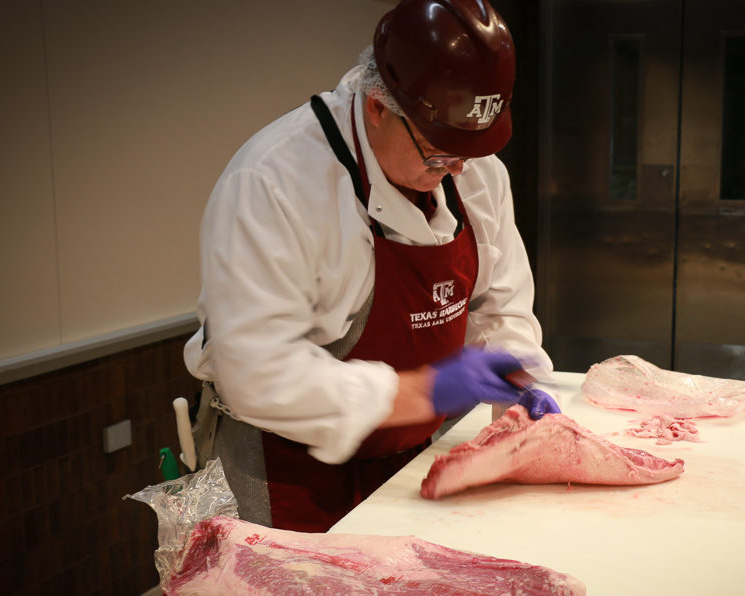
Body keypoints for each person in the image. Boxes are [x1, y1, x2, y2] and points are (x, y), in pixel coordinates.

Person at [183, 0, 559, 532]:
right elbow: (258, 372)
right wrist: (420, 392)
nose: (454, 170)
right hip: (287, 467)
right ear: (378, 108)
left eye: (468, 153)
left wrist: (521, 385)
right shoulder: (272, 183)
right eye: (436, 154)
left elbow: (500, 305)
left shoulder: (474, 172)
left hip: (413, 452)